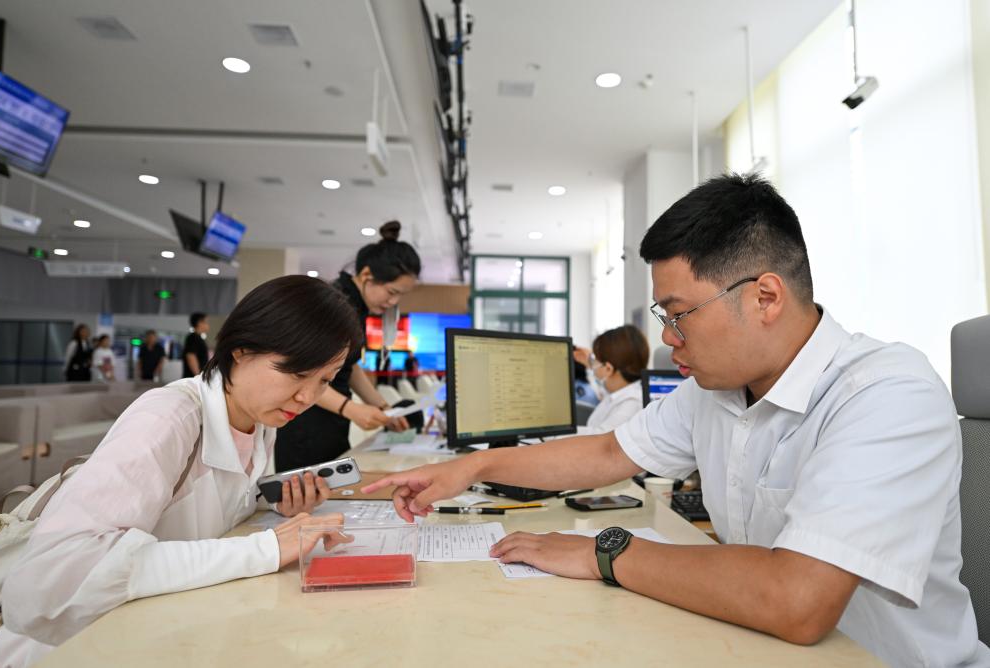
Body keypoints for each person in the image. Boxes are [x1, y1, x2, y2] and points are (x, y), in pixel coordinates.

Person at [364, 174, 989, 666]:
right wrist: (473, 467)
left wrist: (605, 553)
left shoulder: (886, 393)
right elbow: (607, 454)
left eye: (679, 313)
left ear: (765, 297)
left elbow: (796, 600)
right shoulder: (716, 392)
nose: (667, 337)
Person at [0, 275, 361, 668]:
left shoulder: (262, 422)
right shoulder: (168, 417)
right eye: (297, 373)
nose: (306, 397)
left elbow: (205, 515)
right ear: (241, 349)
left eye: (324, 380)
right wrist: (265, 549)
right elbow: (48, 583)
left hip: (161, 636)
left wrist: (273, 505)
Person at [275, 220, 419, 471]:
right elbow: (305, 376)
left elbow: (347, 367)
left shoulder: (356, 307)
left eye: (400, 296)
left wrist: (383, 408)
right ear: (367, 275)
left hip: (330, 420)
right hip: (307, 424)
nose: (393, 302)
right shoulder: (333, 305)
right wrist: (351, 409)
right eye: (391, 292)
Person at [578, 325, 649, 433]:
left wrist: (555, 435)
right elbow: (599, 391)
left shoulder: (632, 402)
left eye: (595, 362)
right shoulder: (619, 392)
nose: (593, 368)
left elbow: (599, 437)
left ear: (608, 369)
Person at [182, 312, 210, 378]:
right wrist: (198, 376)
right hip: (192, 379)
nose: (208, 325)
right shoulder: (193, 337)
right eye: (206, 322)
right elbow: (190, 356)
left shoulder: (199, 338)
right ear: (199, 323)